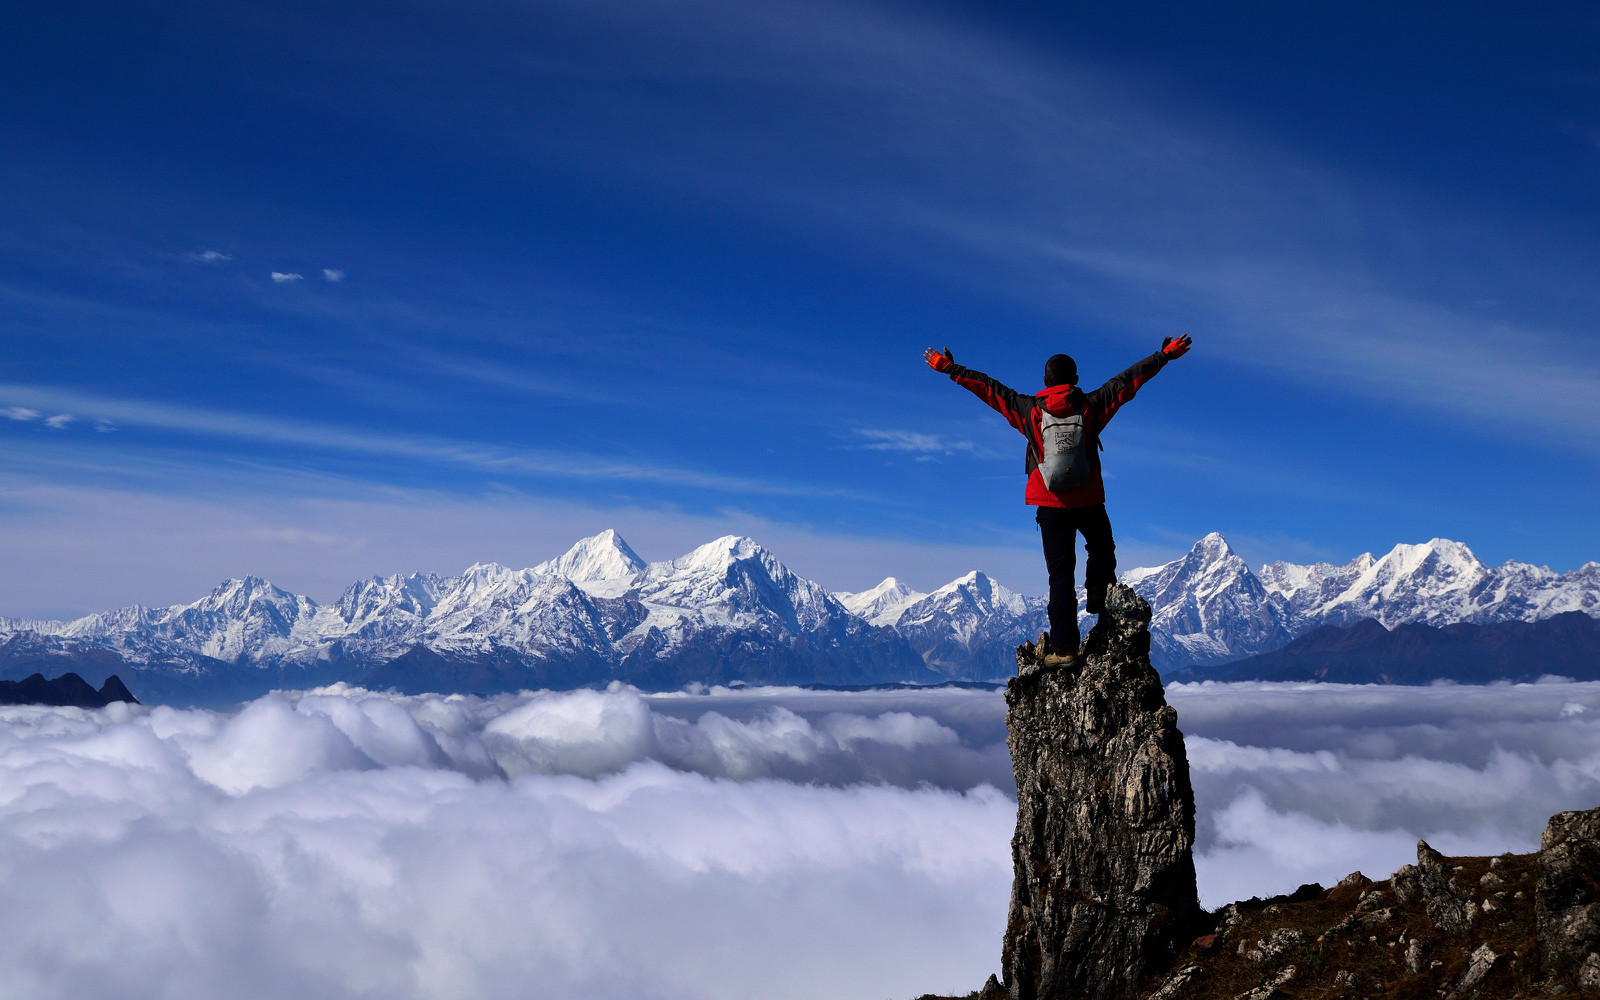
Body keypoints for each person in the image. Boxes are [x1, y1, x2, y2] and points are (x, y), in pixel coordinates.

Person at [923, 335, 1192, 667]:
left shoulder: (1029, 410)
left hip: (1050, 504)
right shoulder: (1092, 405)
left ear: (1045, 381)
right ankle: (1099, 597)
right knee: (1103, 548)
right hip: (1089, 499)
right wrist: (1164, 356)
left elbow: (988, 389)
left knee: (1060, 577)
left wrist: (950, 368)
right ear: (1076, 381)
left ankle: (1064, 649)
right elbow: (1127, 382)